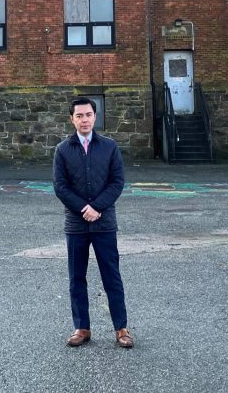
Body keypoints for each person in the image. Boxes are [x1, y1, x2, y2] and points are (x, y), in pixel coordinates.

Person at [52, 97, 133, 349]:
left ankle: (121, 329)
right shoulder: (63, 149)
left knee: (112, 276)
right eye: (79, 116)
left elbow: (117, 182)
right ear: (72, 119)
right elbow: (60, 186)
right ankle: (82, 328)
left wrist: (97, 207)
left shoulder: (109, 147)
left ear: (95, 117)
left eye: (88, 115)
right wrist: (83, 208)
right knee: (77, 278)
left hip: (104, 222)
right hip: (76, 225)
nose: (84, 119)